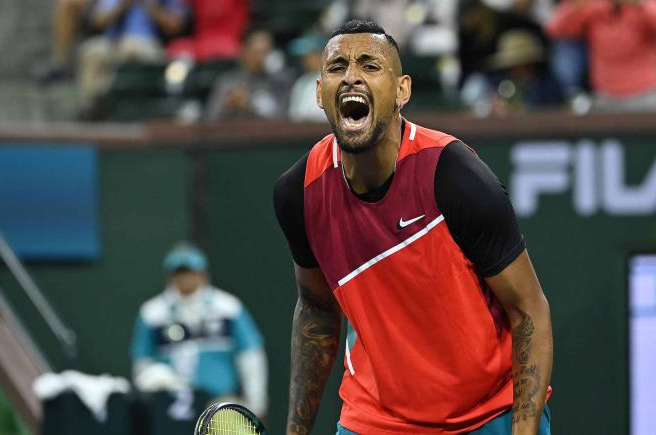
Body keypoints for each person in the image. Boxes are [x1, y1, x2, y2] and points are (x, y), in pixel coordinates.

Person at [273, 19, 553, 435]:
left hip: (485, 415)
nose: (351, 76)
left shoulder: (454, 175)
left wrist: (525, 430)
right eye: (337, 68)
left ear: (402, 90)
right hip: (376, 420)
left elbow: (529, 311)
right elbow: (316, 309)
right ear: (318, 93)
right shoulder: (299, 192)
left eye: (369, 65)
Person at [130, 242, 268, 417]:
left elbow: (250, 356)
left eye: (190, 272)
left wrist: (256, 403)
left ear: (203, 274)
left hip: (218, 403)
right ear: (170, 276)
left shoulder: (228, 308)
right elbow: (143, 363)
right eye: (179, 273)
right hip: (170, 406)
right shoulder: (152, 314)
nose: (185, 278)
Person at [546, 0, 656, 112]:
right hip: (605, 97)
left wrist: (640, 3)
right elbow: (555, 28)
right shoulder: (595, 8)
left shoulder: (643, 3)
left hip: (647, 95)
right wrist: (574, 5)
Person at [77, 0, 187, 109]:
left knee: (132, 49)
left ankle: (132, 105)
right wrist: (123, 5)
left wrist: (148, 6)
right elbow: (98, 21)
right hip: (112, 42)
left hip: (147, 43)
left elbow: (175, 25)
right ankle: (93, 106)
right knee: (92, 51)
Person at [205, 30, 292, 122]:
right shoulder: (227, 82)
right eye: (257, 53)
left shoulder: (279, 82)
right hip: (232, 135)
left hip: (267, 135)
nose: (261, 58)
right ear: (243, 51)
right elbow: (209, 119)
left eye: (265, 52)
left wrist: (249, 106)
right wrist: (227, 106)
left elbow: (283, 119)